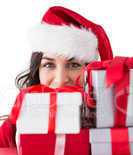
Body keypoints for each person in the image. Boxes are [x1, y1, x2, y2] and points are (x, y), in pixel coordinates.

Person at [0, 6, 113, 147]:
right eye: (49, 65)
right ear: (37, 70)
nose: (60, 80)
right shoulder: (16, 122)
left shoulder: (113, 122)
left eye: (74, 65)